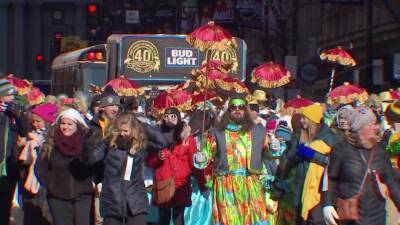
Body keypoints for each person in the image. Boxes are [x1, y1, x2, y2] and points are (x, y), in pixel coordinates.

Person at [194, 98, 270, 225]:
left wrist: (275, 148)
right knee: (229, 221)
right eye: (233, 107)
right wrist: (201, 157)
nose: (237, 110)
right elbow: (205, 156)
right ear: (228, 111)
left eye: (241, 107)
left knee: (254, 220)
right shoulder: (216, 132)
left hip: (250, 183)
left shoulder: (258, 131)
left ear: (246, 110)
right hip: (226, 184)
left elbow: (269, 154)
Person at [322, 106, 400, 225]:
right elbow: (330, 178)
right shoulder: (341, 149)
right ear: (360, 128)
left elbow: (391, 183)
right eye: (371, 124)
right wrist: (327, 204)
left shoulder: (380, 151)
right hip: (351, 216)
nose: (376, 127)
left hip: (377, 215)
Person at [274, 103, 336, 225]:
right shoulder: (300, 134)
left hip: (316, 189)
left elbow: (332, 163)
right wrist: (297, 153)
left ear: (312, 119)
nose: (301, 120)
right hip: (298, 185)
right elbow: (287, 158)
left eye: (304, 118)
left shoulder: (328, 137)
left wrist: (314, 155)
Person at [83, 112, 149, 225]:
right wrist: (88, 142)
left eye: (126, 131)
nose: (122, 134)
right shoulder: (108, 143)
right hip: (112, 199)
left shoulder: (140, 144)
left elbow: (161, 142)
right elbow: (91, 158)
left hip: (135, 200)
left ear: (133, 130)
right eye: (119, 131)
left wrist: (145, 126)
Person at [146, 107, 207, 225]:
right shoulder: (156, 136)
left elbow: (194, 164)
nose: (169, 119)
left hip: (181, 185)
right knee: (163, 218)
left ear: (178, 118)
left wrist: (202, 185)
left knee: (179, 219)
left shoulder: (188, 138)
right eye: (166, 116)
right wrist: (157, 157)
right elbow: (149, 162)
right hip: (163, 183)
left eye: (173, 116)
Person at [35, 108, 94, 225]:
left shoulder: (86, 143)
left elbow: (95, 164)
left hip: (82, 195)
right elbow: (40, 168)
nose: (65, 127)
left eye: (70, 124)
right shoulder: (51, 143)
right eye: (63, 123)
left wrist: (93, 181)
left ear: (77, 125)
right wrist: (51, 184)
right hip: (58, 197)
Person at [85, 86, 121, 225]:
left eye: (117, 105)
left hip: (118, 181)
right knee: (99, 219)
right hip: (98, 180)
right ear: (102, 107)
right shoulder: (92, 127)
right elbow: (88, 155)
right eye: (111, 104)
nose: (115, 108)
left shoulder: (122, 126)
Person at [18, 103, 58, 225]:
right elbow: (23, 162)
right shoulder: (30, 137)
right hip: (30, 184)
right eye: (33, 121)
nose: (35, 124)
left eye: (38, 121)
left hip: (46, 183)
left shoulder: (53, 137)